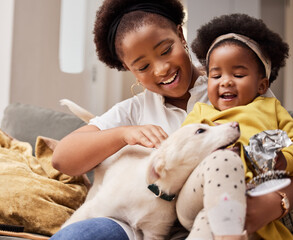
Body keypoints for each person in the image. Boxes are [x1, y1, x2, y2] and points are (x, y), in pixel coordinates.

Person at [49, 0, 292, 238]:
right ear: (128, 68)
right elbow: (62, 159)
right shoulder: (133, 111)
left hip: (213, 213)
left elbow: (278, 155)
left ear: (181, 35)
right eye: (142, 66)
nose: (161, 69)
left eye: (166, 50)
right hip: (133, 225)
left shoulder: (228, 85)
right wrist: (123, 134)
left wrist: (275, 203)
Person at [178, 13, 293, 240]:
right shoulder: (202, 112)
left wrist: (285, 159)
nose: (226, 81)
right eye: (216, 74)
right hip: (203, 192)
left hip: (254, 202)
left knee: (210, 222)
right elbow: (182, 146)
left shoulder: (271, 109)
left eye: (238, 74)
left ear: (262, 85)